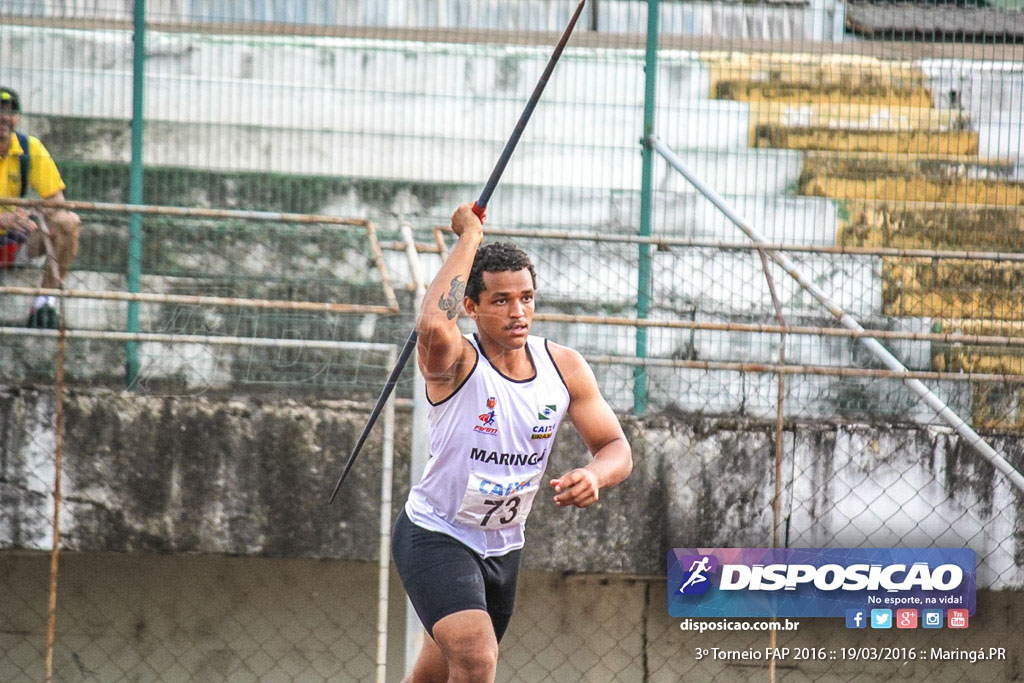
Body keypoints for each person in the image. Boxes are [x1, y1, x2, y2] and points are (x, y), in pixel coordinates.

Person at [391, 202, 633, 682]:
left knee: (437, 673)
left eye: (526, 297)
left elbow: (616, 448)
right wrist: (469, 238)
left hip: (503, 548)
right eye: (500, 300)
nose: (517, 311)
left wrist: (594, 475)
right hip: (437, 533)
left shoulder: (563, 367)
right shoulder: (456, 363)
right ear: (472, 306)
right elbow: (432, 326)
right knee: (477, 658)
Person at [0, 86, 81, 328]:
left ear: (18, 118)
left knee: (69, 223)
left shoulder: (30, 148)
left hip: (14, 241)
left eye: (11, 111)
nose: (4, 117)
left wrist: (32, 214)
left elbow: (57, 202)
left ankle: (45, 302)